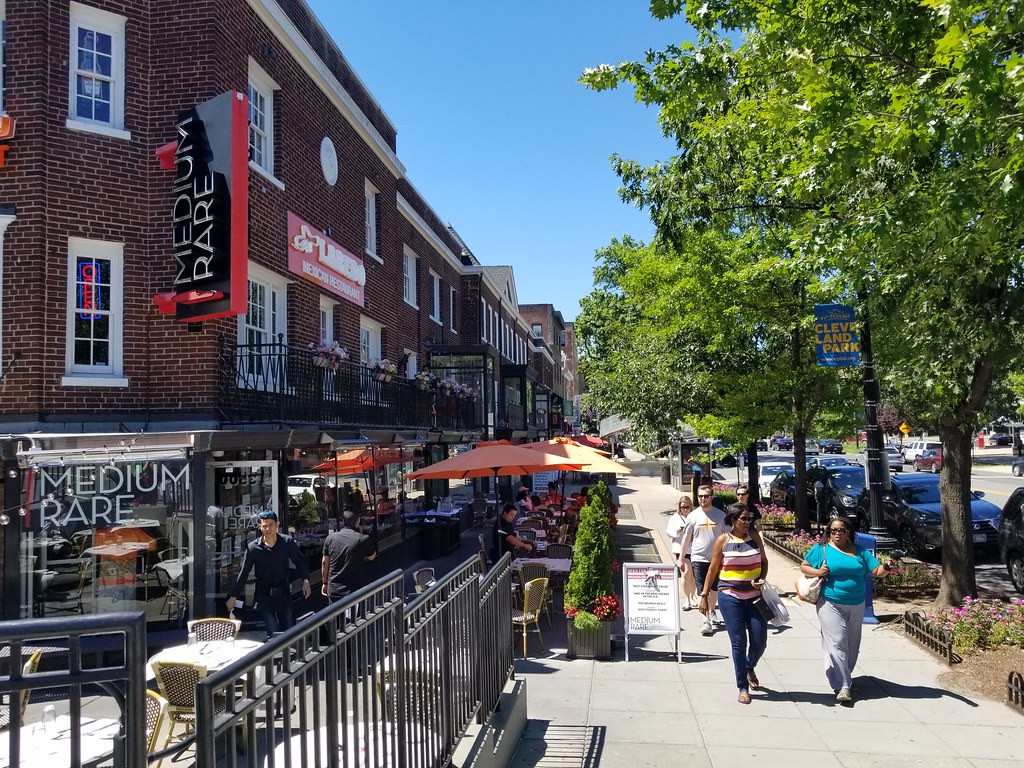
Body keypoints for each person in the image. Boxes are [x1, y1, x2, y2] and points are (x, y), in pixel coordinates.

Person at [800, 515, 896, 703]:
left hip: (856, 603)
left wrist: (887, 566)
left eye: (841, 530)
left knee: (852, 645)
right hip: (830, 602)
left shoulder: (860, 552)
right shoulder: (822, 549)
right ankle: (844, 686)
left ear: (849, 532)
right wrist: (818, 572)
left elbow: (877, 572)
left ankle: (840, 675)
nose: (837, 534)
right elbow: (804, 566)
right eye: (833, 530)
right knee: (838, 641)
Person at [699, 503, 769, 704]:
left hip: (755, 597)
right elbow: (712, 569)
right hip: (730, 597)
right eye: (744, 519)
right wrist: (704, 595)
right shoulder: (723, 540)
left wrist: (762, 578)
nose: (748, 522)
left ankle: (749, 666)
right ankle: (742, 687)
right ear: (732, 520)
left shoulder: (755, 538)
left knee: (760, 641)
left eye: (750, 519)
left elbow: (764, 562)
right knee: (739, 642)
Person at [226, 511, 311, 639]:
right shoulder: (253, 548)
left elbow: (300, 561)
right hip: (263, 595)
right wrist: (234, 596)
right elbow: (244, 572)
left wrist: (306, 580)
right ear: (260, 527)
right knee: (273, 632)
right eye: (264, 525)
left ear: (277, 524)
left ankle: (287, 657)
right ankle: (277, 657)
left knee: (287, 631)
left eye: (271, 525)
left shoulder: (287, 542)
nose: (267, 528)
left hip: (283, 594)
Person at [677, 485, 726, 636]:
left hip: (716, 559)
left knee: (713, 589)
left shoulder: (720, 516)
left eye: (706, 496)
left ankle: (711, 611)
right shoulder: (693, 516)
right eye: (700, 496)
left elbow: (727, 536)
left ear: (712, 497)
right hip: (698, 558)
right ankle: (706, 620)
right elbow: (686, 538)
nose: (703, 499)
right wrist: (681, 557)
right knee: (701, 590)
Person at [321, 510, 377, 603]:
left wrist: (324, 583)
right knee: (354, 617)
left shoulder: (330, 538)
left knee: (335, 616)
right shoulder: (362, 538)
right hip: (353, 589)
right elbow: (372, 556)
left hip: (334, 589)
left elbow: (324, 562)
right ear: (358, 521)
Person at [666, 494, 699, 609]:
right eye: (683, 507)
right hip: (680, 550)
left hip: (694, 549)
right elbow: (669, 532)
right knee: (685, 574)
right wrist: (678, 530)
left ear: (691, 507)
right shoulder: (675, 517)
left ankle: (693, 596)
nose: (685, 509)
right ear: (679, 507)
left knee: (693, 577)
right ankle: (687, 600)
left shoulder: (695, 517)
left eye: (687, 507)